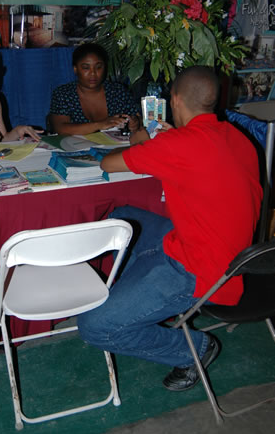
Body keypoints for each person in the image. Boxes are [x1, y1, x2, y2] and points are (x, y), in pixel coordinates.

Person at [78, 65, 262, 391]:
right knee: (122, 218)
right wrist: (163, 140)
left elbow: (109, 163)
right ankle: (138, 302)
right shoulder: (236, 136)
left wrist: (140, 142)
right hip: (229, 253)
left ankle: (195, 350)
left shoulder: (179, 143)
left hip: (200, 273)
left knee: (94, 327)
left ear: (174, 100)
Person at [48, 42, 147, 140]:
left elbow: (136, 118)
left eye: (98, 67)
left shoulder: (117, 91)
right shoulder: (64, 94)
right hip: (75, 148)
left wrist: (135, 123)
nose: (93, 73)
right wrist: (101, 124)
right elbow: (61, 129)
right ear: (75, 69)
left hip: (115, 147)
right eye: (86, 68)